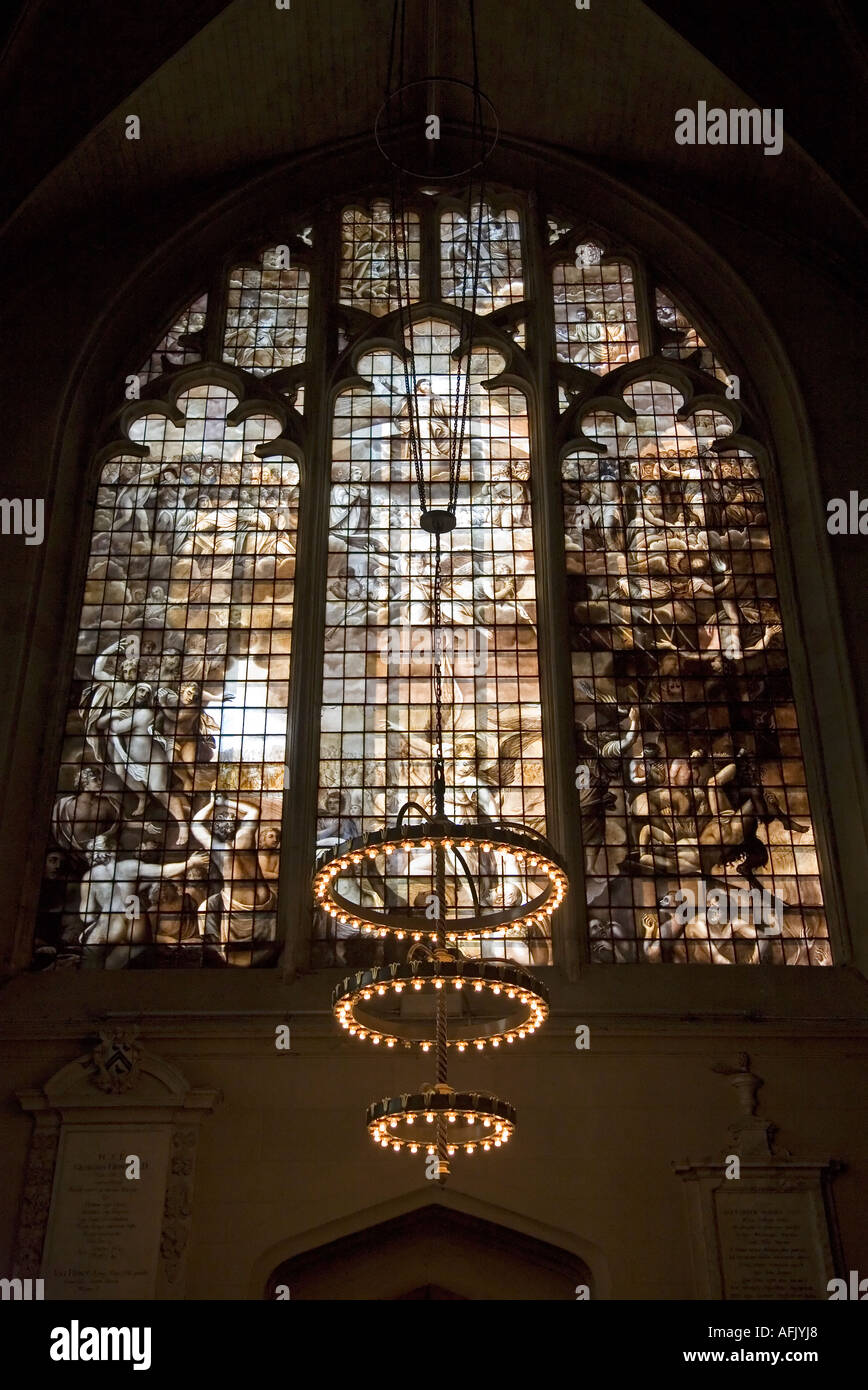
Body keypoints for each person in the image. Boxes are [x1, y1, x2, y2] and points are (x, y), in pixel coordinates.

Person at [190, 795, 277, 964]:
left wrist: (212, 804)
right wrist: (225, 802)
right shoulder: (245, 838)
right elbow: (254, 811)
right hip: (265, 900)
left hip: (242, 907)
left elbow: (196, 824)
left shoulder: (219, 848)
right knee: (206, 908)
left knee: (208, 912)